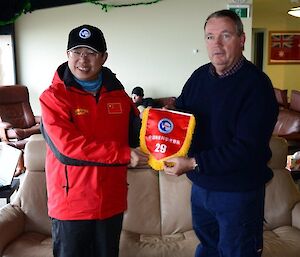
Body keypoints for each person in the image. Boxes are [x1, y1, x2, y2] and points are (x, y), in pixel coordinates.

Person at [163, 10, 278, 257]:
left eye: (225, 35)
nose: (216, 44)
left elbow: (247, 148)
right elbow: (183, 116)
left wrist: (193, 163)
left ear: (242, 39)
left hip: (238, 193)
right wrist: (165, 117)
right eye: (210, 36)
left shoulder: (257, 86)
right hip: (202, 189)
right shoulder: (198, 77)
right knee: (208, 249)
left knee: (238, 252)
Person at [39, 24, 148, 257]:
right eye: (76, 52)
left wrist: (169, 128)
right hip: (71, 206)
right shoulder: (53, 98)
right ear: (67, 55)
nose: (83, 59)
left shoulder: (119, 95)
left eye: (91, 53)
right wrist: (124, 155)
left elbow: (137, 133)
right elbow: (66, 149)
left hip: (111, 202)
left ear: (104, 57)